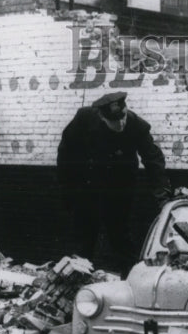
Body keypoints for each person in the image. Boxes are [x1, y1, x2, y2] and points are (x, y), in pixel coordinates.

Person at [57, 91, 170, 270]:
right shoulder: (84, 118)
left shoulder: (137, 126)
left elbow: (153, 158)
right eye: (114, 121)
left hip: (119, 190)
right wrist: (67, 188)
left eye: (123, 117)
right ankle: (78, 283)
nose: (121, 123)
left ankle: (131, 282)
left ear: (126, 110)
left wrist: (162, 194)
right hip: (88, 189)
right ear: (102, 117)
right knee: (84, 240)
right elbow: (65, 152)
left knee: (121, 238)